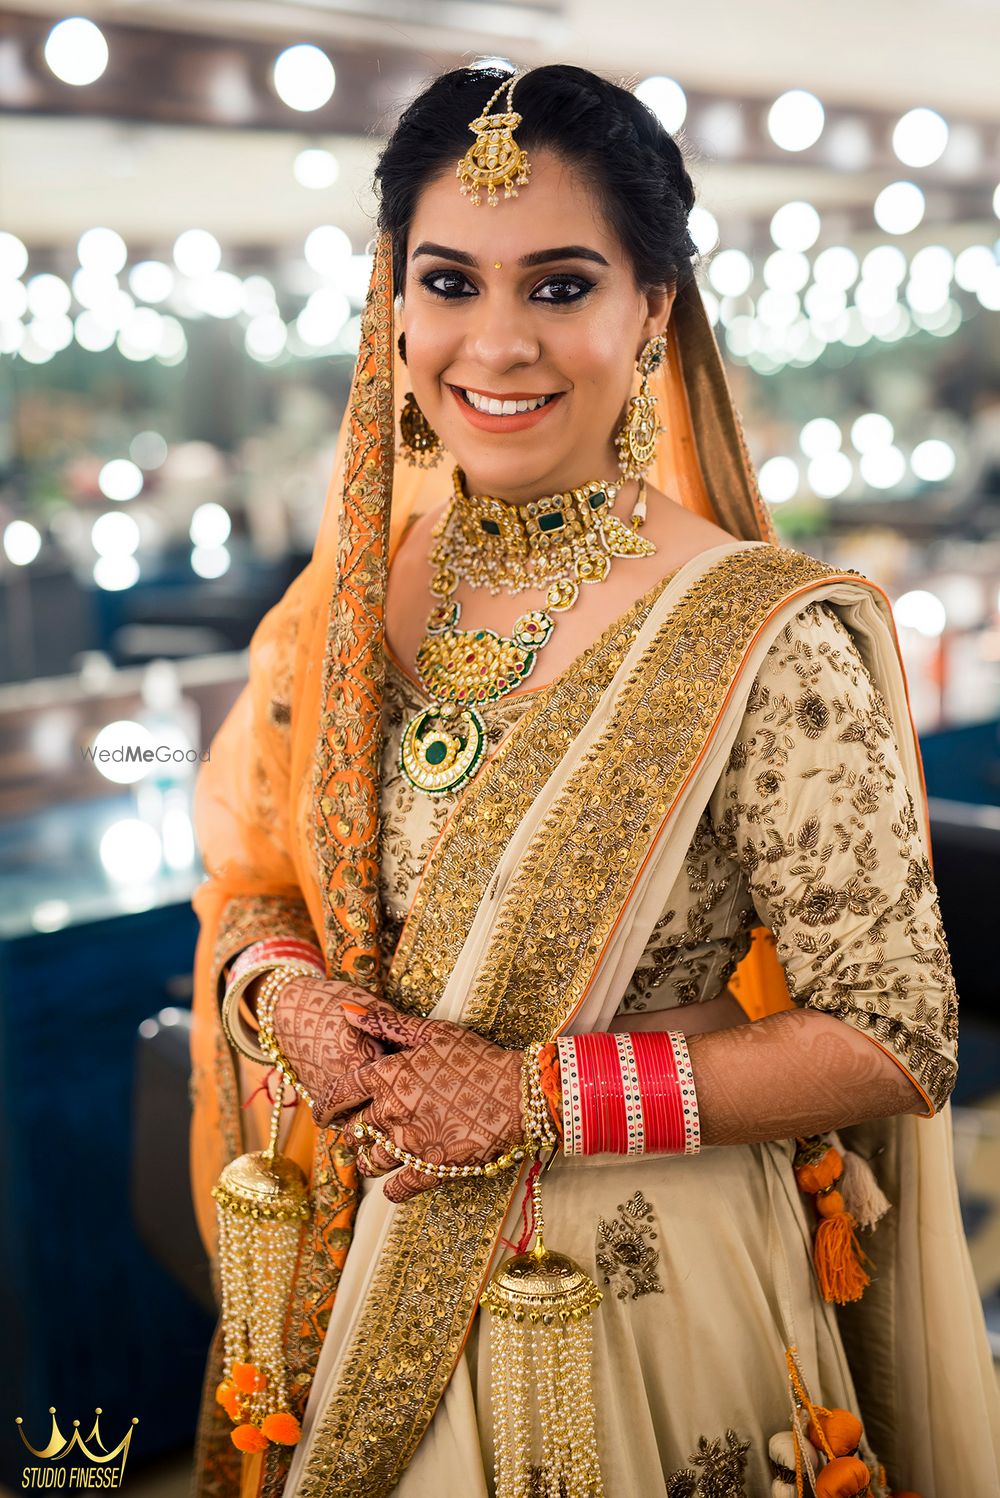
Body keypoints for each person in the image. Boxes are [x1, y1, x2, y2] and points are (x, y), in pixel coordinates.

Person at [188, 65, 1000, 1498]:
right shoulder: (338, 606)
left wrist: (535, 1098)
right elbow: (253, 883)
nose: (496, 342)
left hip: (636, 1294)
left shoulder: (766, 628)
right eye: (450, 281)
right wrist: (287, 996)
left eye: (560, 286)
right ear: (394, 308)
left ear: (654, 314)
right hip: (356, 1254)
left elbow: (895, 1031)